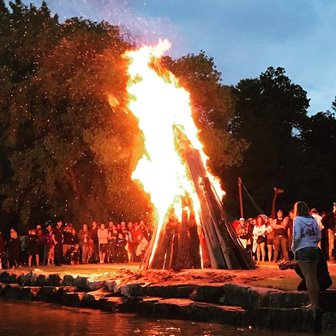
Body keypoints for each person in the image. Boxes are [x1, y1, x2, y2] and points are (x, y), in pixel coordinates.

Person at [292, 201, 321, 310]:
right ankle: (316, 303)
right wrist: (313, 242)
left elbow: (297, 236)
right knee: (314, 277)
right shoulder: (312, 220)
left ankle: (313, 305)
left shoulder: (297, 220)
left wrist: (293, 248)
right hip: (314, 248)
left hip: (303, 248)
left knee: (308, 277)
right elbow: (319, 235)